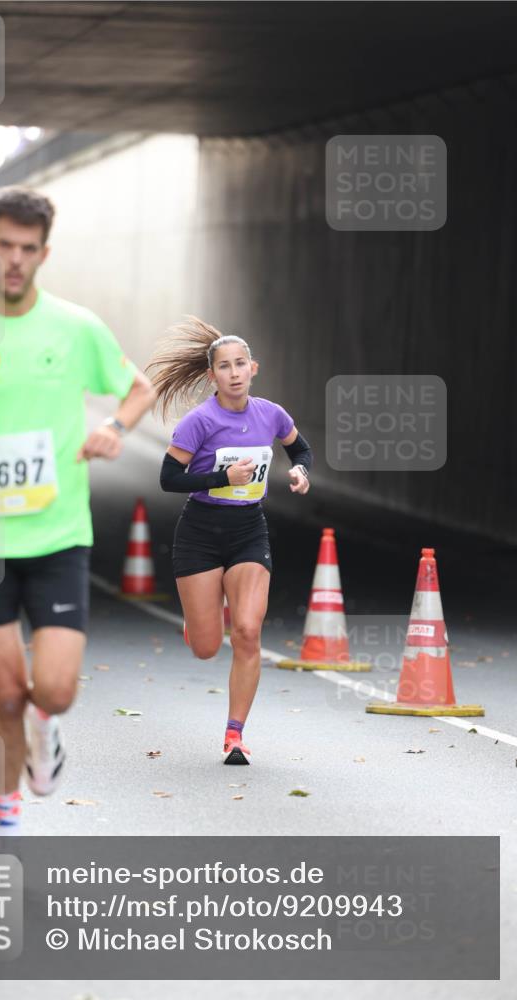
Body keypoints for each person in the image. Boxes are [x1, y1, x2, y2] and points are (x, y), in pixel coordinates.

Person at [0, 186, 155, 835]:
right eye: (4, 246)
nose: (15, 259)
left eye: (28, 248)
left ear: (43, 253)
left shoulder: (74, 327)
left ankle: (49, 732)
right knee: (6, 690)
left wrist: (116, 431)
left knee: (55, 690)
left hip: (58, 536)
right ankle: (6, 820)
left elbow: (139, 387)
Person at [148, 317, 312, 765]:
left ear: (253, 368)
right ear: (212, 376)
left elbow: (299, 448)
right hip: (200, 533)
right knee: (205, 647)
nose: (235, 372)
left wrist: (300, 471)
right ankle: (199, 617)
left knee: (246, 631)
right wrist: (222, 476)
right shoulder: (199, 422)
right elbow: (168, 478)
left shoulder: (271, 414)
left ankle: (234, 734)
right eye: (225, 366)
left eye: (241, 364)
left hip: (247, 530)